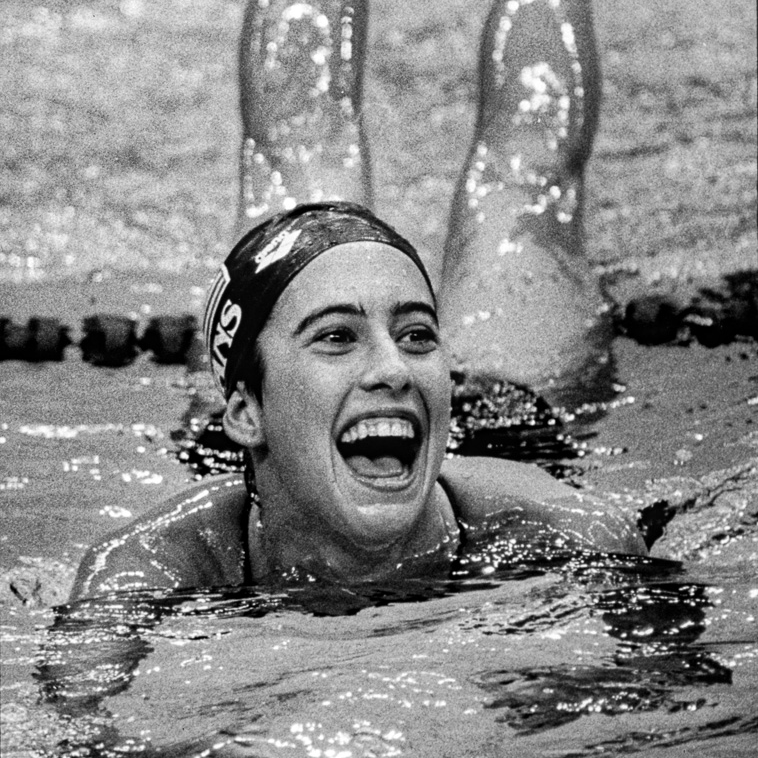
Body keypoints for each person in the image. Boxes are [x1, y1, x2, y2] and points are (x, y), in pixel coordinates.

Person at [70, 202, 644, 606]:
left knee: (521, 205)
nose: (395, 368)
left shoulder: (565, 530)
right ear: (246, 414)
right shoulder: (156, 563)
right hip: (291, 452)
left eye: (418, 334)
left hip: (499, 426)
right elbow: (77, 729)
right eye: (336, 335)